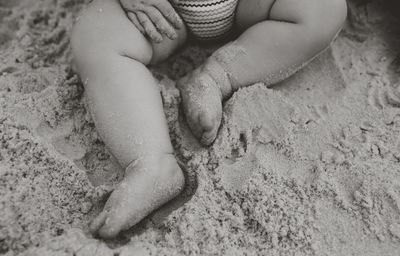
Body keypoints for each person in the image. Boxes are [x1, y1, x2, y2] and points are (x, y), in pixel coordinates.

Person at [70, 0, 347, 239]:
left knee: (323, 9)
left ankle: (219, 75)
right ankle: (149, 163)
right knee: (95, 35)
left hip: (246, 7)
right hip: (162, 14)